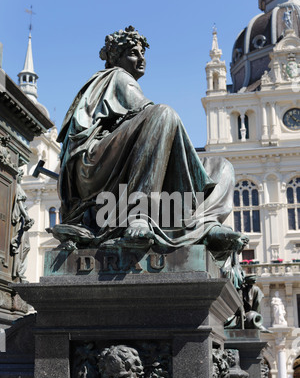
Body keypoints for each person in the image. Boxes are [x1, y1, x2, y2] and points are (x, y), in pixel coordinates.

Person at [55, 26, 247, 260]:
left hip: (119, 159)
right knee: (163, 113)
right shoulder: (116, 76)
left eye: (143, 54)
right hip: (94, 165)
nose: (141, 59)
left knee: (221, 166)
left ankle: (204, 222)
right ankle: (140, 214)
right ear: (117, 57)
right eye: (133, 53)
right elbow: (151, 117)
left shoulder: (123, 81)